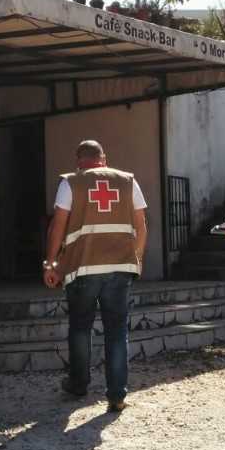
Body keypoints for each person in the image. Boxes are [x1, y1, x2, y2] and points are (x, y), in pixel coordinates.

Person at [42, 140, 148, 413]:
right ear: (104, 159)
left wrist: (51, 263)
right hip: (120, 268)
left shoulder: (71, 183)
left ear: (79, 162)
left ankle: (79, 384)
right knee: (117, 331)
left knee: (80, 327)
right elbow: (141, 226)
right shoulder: (128, 181)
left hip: (82, 269)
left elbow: (57, 226)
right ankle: (117, 394)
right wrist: (136, 259)